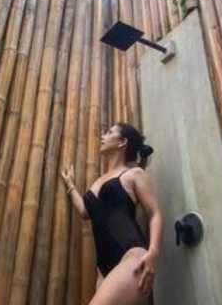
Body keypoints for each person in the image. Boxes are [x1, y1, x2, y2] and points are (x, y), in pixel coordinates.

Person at [61, 122, 163, 305]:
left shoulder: (134, 174)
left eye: (109, 132)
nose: (102, 136)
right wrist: (70, 185)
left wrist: (153, 253)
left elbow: (154, 213)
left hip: (132, 258)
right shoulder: (97, 181)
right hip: (103, 270)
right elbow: (85, 211)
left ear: (122, 142)